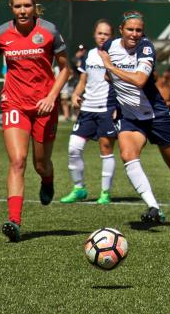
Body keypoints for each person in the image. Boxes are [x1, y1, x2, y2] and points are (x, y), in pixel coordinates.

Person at [98, 11, 170, 223]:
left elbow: (140, 80)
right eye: (130, 29)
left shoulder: (146, 47)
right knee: (128, 154)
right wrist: (113, 103)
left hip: (156, 115)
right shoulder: (110, 47)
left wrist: (111, 66)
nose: (134, 34)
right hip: (130, 118)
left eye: (138, 30)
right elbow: (110, 79)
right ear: (121, 30)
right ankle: (153, 207)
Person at [0, 0, 71, 242]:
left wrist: (52, 96)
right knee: (18, 160)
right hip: (15, 104)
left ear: (34, 7)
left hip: (44, 106)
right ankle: (14, 222)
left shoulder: (49, 31)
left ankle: (48, 180)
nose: (23, 10)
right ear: (11, 8)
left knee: (40, 164)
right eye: (18, 6)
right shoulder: (1, 34)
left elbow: (65, 69)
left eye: (27, 6)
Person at [59, 19, 118, 205]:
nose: (103, 37)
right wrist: (76, 94)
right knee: (73, 147)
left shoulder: (117, 55)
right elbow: (83, 80)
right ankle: (79, 188)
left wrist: (118, 107)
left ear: (112, 36)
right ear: (95, 34)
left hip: (107, 109)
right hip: (87, 109)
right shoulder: (90, 55)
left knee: (106, 150)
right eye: (100, 33)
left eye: (106, 34)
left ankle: (105, 193)